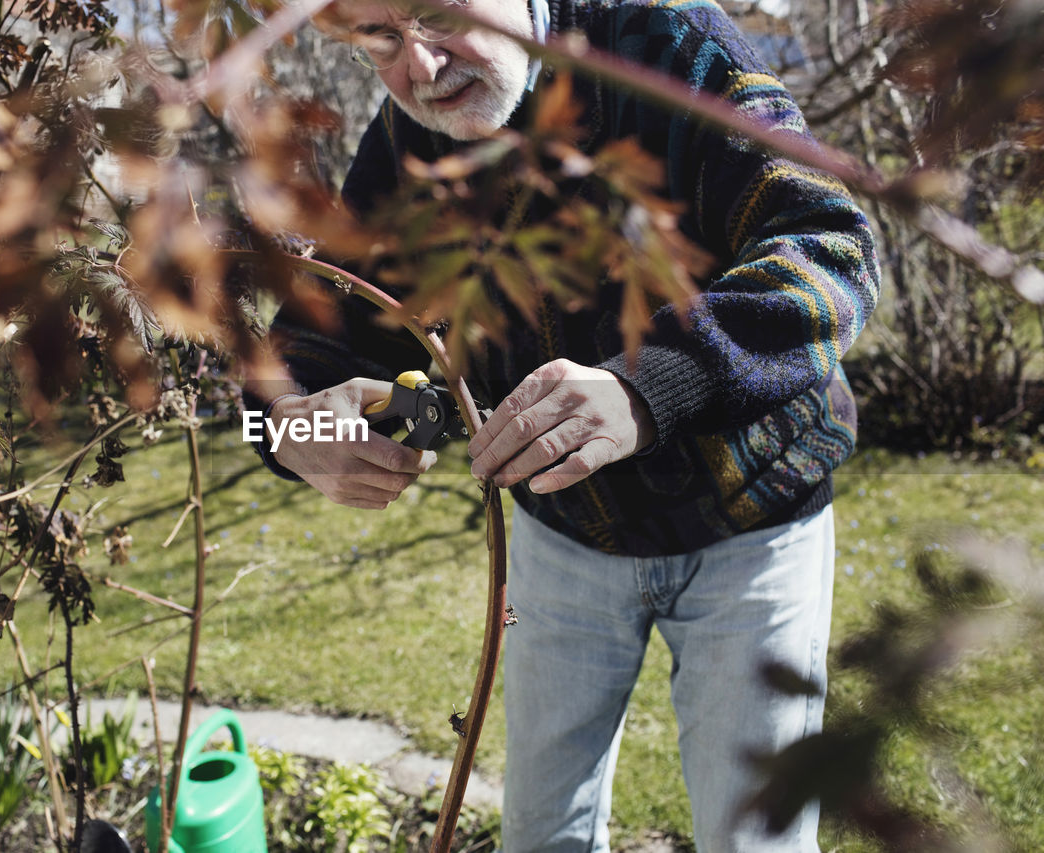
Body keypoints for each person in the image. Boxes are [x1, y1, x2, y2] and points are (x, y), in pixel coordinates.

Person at [247, 0, 880, 849]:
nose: (422, 69)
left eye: (439, 15)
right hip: (561, 537)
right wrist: (290, 426)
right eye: (383, 39)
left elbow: (828, 243)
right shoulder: (401, 152)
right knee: (542, 829)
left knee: (754, 834)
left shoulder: (666, 51)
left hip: (755, 527)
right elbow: (319, 336)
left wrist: (650, 385)